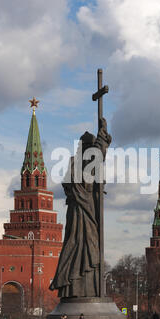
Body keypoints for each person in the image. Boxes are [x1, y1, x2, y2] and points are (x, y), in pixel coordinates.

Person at [49, 118, 112, 298]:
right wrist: (102, 135)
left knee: (84, 245)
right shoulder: (79, 162)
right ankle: (75, 283)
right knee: (85, 244)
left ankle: (76, 284)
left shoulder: (76, 162)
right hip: (83, 211)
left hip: (82, 209)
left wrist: (102, 138)